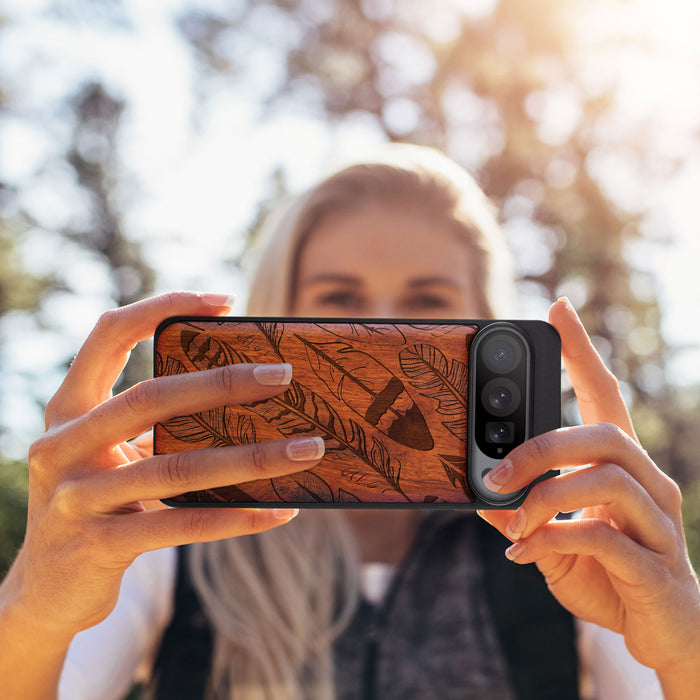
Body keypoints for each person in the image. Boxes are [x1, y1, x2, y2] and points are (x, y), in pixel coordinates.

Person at [0, 145, 698, 700]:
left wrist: (685, 648)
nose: (384, 331)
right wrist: (34, 607)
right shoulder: (171, 535)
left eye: (427, 303)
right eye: (339, 301)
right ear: (277, 315)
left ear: (487, 324)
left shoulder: (567, 544)